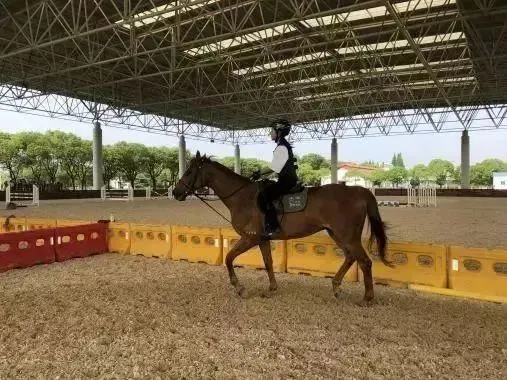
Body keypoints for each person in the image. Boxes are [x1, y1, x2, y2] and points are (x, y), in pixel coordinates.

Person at [251, 119, 299, 237]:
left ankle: (272, 227)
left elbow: (275, 167)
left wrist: (259, 173)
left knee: (265, 195)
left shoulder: (282, 147)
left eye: (272, 130)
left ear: (279, 132)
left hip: (287, 181)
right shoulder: (282, 145)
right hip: (286, 179)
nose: (270, 133)